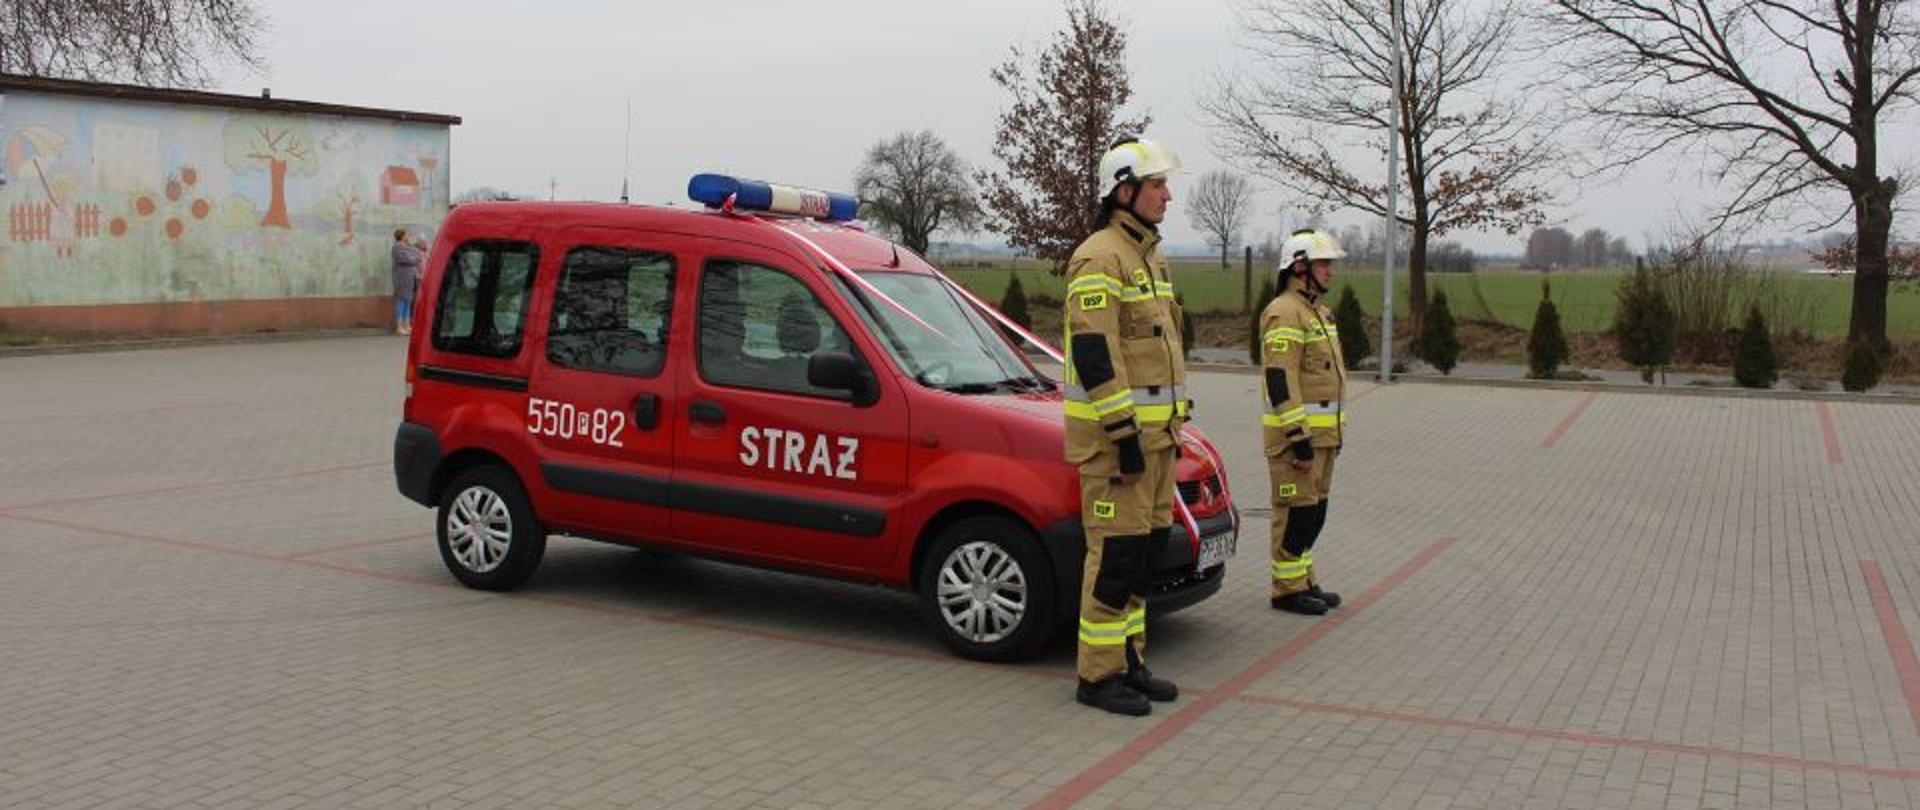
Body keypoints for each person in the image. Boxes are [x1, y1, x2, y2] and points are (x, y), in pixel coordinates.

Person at [1062, 136, 1189, 716]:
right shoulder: (1099, 256)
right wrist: (1123, 436)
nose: (1167, 195)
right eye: (1157, 184)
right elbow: (1094, 358)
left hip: (1158, 443)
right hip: (1118, 448)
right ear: (1124, 189)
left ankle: (1130, 661)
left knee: (1144, 557)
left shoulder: (1150, 257)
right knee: (1113, 559)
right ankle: (1096, 677)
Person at [1260, 229, 1349, 616]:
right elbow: (1281, 380)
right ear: (1299, 266)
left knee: (1314, 512)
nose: (1330, 271)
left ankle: (1305, 579)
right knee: (1295, 513)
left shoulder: (1319, 312)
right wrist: (1299, 437)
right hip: (1297, 440)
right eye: (1323, 263)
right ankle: (1287, 590)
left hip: (1324, 436)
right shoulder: (1284, 311)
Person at [391, 228, 423, 335]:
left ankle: (407, 325)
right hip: (402, 278)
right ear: (402, 235)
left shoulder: (407, 246)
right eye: (407, 234)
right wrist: (415, 258)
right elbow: (408, 259)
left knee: (408, 302)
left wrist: (414, 256)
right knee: (401, 301)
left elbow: (417, 254)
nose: (409, 236)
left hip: (410, 278)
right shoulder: (398, 246)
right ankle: (399, 326)